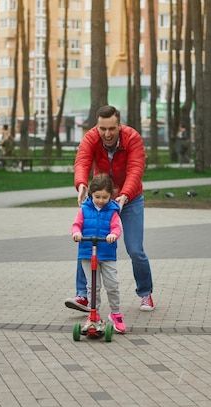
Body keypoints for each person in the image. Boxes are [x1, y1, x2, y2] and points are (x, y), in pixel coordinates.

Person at [65, 104, 155, 312]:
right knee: (87, 242)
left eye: (111, 129)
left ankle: (145, 293)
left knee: (135, 249)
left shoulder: (132, 138)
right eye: (102, 129)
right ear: (97, 126)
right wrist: (81, 185)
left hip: (130, 198)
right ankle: (82, 296)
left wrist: (124, 196)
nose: (107, 134)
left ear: (119, 125)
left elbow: (135, 170)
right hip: (99, 199)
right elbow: (82, 162)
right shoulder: (91, 138)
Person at [71, 173, 125, 333]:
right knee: (92, 286)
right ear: (91, 194)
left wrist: (113, 235)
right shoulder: (84, 209)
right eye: (97, 197)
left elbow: (117, 227)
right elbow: (76, 225)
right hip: (87, 252)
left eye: (105, 197)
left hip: (107, 253)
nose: (101, 200)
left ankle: (116, 314)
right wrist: (76, 233)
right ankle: (93, 315)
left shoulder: (112, 211)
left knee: (112, 285)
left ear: (110, 196)